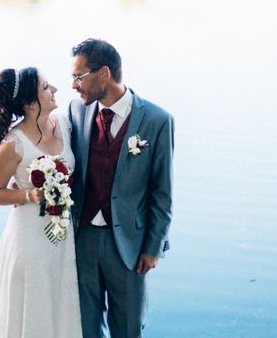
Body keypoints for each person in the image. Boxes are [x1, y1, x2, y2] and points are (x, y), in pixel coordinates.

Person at [68, 39, 174, 338]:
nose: (75, 86)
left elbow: (162, 192)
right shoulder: (77, 110)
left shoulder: (157, 120)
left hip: (128, 245)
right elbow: (57, 153)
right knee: (85, 328)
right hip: (83, 238)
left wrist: (153, 248)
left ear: (103, 74)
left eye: (79, 77)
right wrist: (25, 178)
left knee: (128, 328)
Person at [0, 67, 83, 338]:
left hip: (61, 234)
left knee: (59, 299)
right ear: (28, 102)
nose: (55, 89)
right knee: (32, 302)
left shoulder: (66, 124)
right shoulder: (13, 144)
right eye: (46, 87)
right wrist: (28, 195)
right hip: (29, 237)